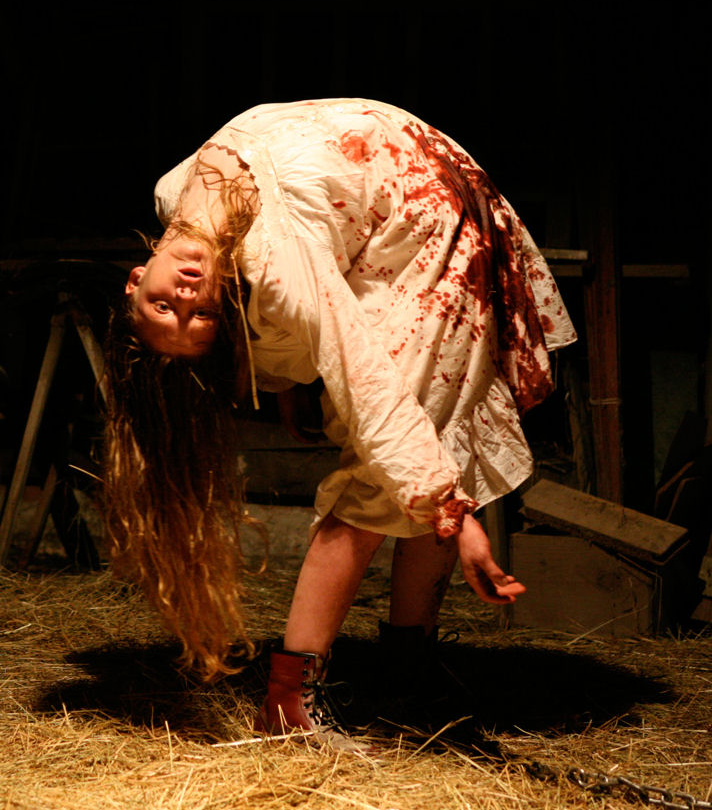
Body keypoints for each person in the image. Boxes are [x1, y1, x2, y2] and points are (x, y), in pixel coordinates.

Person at [103, 98, 576, 748]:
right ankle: (305, 695)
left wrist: (448, 509)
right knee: (405, 448)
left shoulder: (189, 206)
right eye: (197, 316)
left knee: (407, 446)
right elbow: (323, 330)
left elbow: (358, 373)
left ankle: (382, 673)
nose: (184, 299)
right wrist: (450, 510)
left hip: (422, 203)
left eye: (165, 307)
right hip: (394, 202)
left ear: (135, 280)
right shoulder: (263, 265)